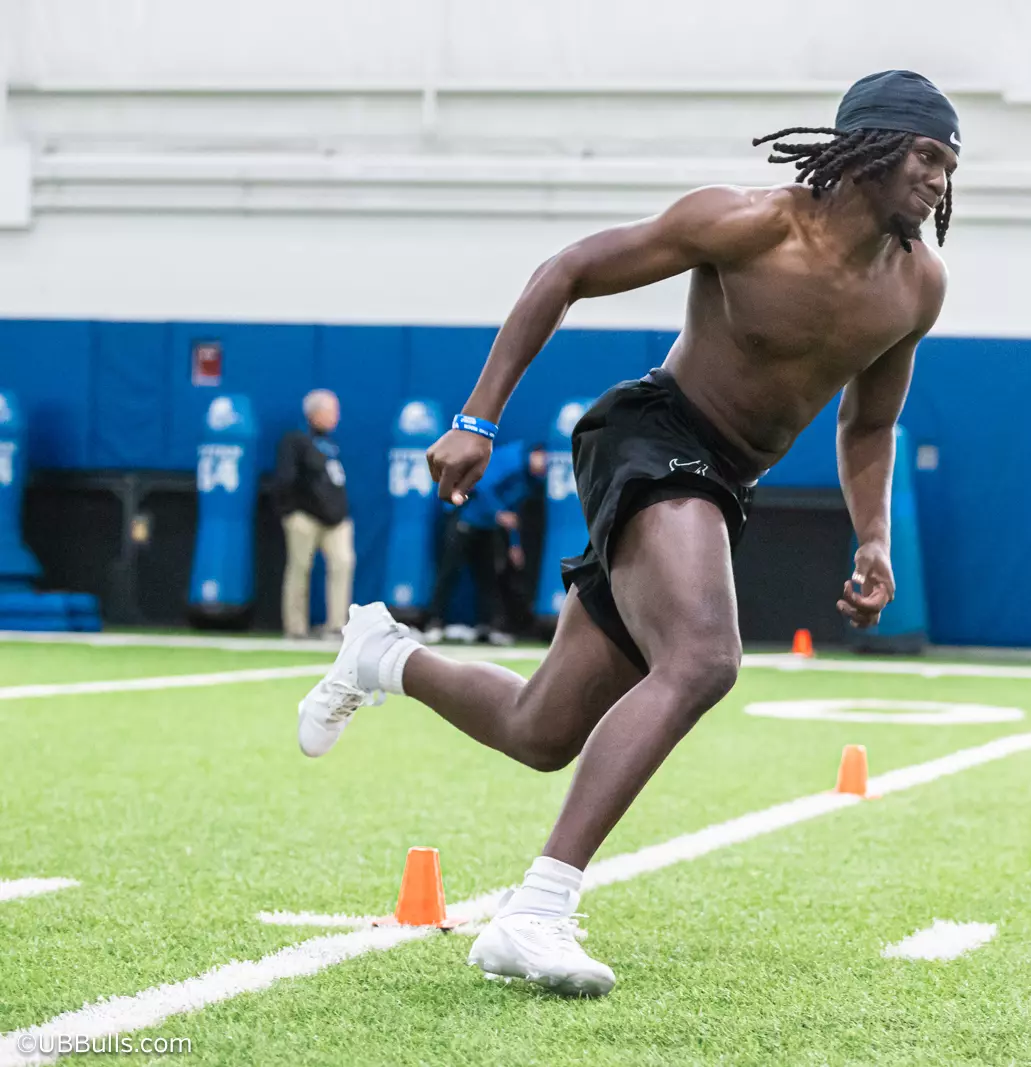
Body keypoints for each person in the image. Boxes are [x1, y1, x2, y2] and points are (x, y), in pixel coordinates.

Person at [297, 70, 958, 995]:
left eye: (951, 164)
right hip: (651, 435)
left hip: (720, 480)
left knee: (541, 729)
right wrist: (478, 421)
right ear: (870, 148)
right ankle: (537, 911)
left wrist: (875, 538)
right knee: (703, 657)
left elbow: (869, 426)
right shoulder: (745, 222)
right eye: (926, 156)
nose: (939, 179)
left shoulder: (918, 285)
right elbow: (566, 272)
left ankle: (381, 657)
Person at [420, 441, 545, 646]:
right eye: (543, 459)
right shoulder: (511, 461)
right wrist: (498, 513)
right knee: (449, 573)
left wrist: (514, 544)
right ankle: (433, 623)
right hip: (466, 519)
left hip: (489, 528)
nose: (545, 466)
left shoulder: (532, 482)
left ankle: (489, 626)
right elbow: (482, 485)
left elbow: (512, 511)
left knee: (489, 577)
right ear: (536, 453)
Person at [275, 389, 352, 639]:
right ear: (315, 413)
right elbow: (285, 480)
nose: (336, 417)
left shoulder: (330, 444)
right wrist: (291, 512)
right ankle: (296, 628)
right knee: (300, 569)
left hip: (335, 520)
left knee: (342, 564)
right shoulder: (295, 440)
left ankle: (337, 625)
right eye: (332, 411)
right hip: (305, 517)